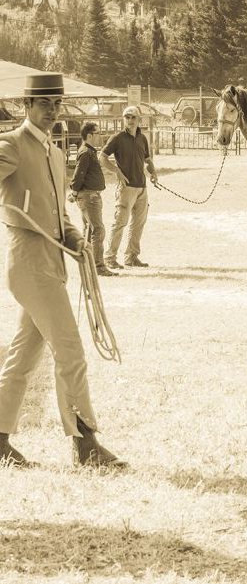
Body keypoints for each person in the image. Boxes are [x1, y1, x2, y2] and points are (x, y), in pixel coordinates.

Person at [0, 73, 126, 467]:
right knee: (70, 352)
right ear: (27, 107)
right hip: (29, 260)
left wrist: (74, 238)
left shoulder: (56, 153)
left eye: (56, 104)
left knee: (21, 358)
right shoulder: (11, 145)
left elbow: (58, 214)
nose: (52, 111)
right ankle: (85, 445)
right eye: (44, 104)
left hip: (53, 262)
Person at [100, 105, 158, 269]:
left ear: (139, 119)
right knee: (120, 223)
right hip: (126, 188)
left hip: (142, 188)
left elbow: (147, 159)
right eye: (127, 117)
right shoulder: (117, 138)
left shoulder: (142, 138)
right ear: (123, 119)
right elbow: (102, 157)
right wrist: (116, 171)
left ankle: (131, 257)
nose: (130, 120)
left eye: (133, 117)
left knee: (138, 224)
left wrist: (153, 173)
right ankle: (110, 258)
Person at [69, 121, 116, 277]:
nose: (100, 136)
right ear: (89, 135)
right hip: (89, 196)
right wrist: (74, 191)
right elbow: (79, 174)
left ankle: (89, 263)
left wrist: (75, 192)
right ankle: (98, 265)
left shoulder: (89, 151)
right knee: (98, 230)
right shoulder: (86, 152)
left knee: (90, 231)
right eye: (97, 133)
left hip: (91, 195)